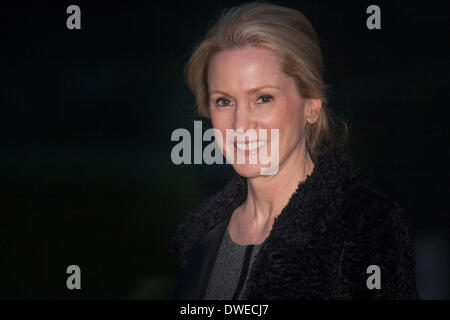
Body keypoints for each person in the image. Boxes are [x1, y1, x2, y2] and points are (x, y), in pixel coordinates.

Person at [168, 2, 418, 299]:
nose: (240, 124)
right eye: (224, 101)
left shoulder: (365, 228)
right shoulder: (202, 237)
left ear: (312, 105)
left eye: (262, 98)